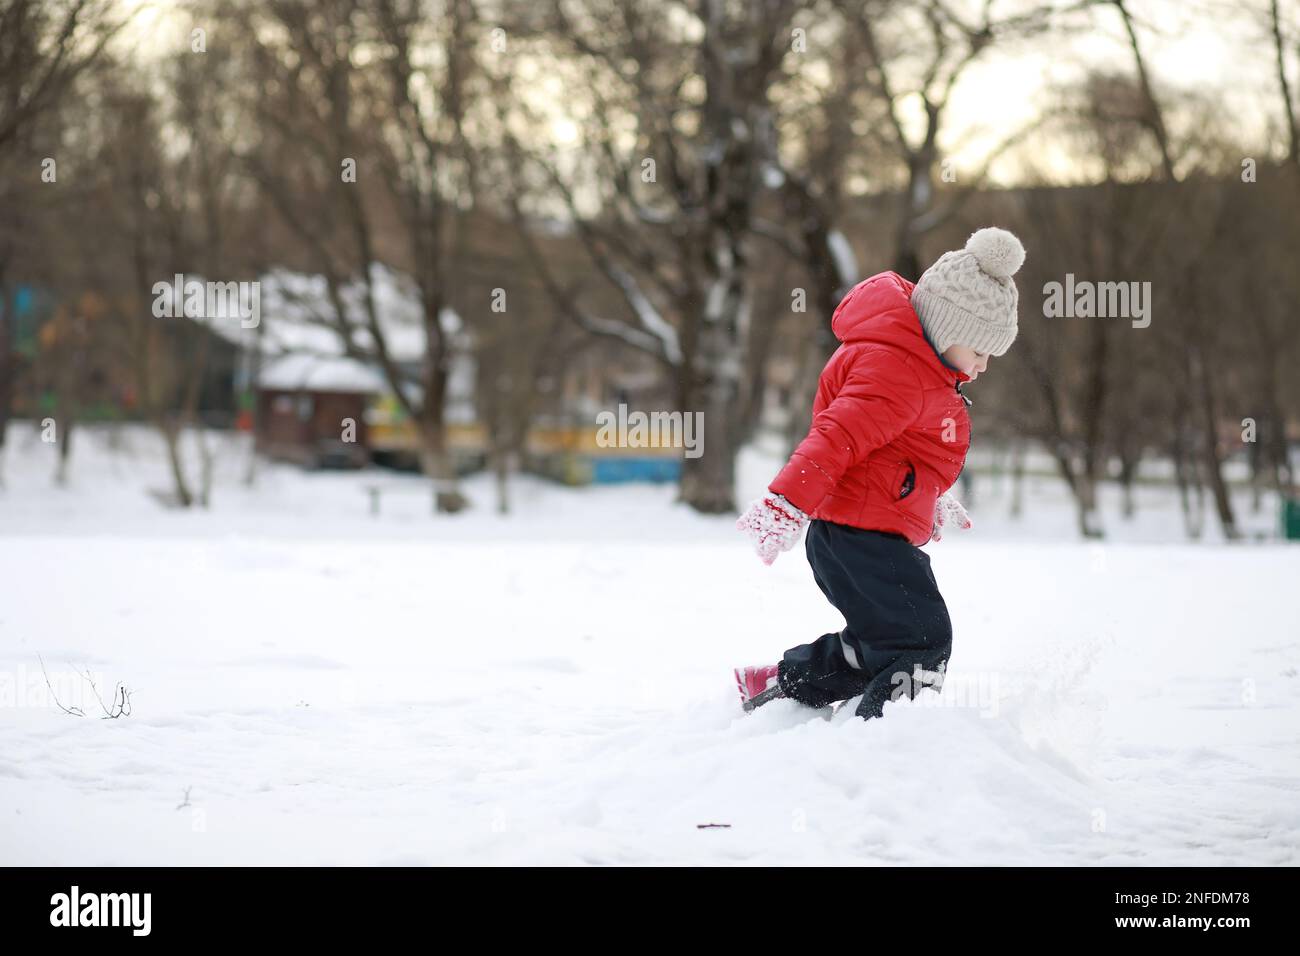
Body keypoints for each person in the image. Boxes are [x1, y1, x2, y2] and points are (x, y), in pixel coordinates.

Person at [734, 227, 1025, 719]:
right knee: (920, 644)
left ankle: (779, 684)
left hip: (856, 533)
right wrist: (786, 503)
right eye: (979, 350)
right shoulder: (897, 370)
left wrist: (925, 497)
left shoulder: (918, 367)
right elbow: (836, 438)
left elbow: (897, 453)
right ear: (947, 325)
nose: (983, 366)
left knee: (883, 642)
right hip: (860, 538)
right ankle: (887, 745)